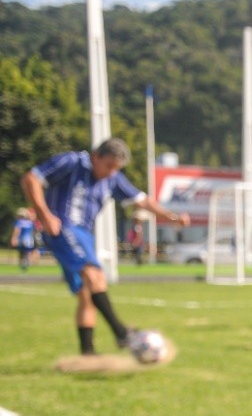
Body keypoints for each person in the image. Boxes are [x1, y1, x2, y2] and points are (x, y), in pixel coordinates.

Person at [20, 138, 190, 356]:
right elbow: (31, 178)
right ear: (95, 157)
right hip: (64, 229)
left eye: (116, 168)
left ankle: (87, 355)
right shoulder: (72, 162)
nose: (112, 172)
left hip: (84, 236)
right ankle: (121, 333)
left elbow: (142, 201)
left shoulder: (113, 179)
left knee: (86, 294)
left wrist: (172, 217)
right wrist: (44, 215)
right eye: (109, 166)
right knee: (95, 275)